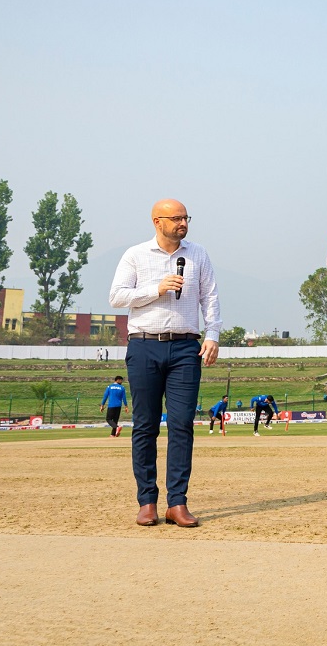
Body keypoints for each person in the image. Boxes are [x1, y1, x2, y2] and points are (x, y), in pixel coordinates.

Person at [109, 198, 221, 528]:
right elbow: (116, 296)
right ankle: (147, 501)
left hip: (186, 348)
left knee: (182, 424)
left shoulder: (198, 254)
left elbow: (210, 297)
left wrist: (212, 334)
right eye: (175, 218)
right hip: (144, 346)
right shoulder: (135, 255)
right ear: (157, 222)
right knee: (145, 425)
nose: (182, 223)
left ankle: (177, 502)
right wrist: (155, 289)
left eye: (186, 217)